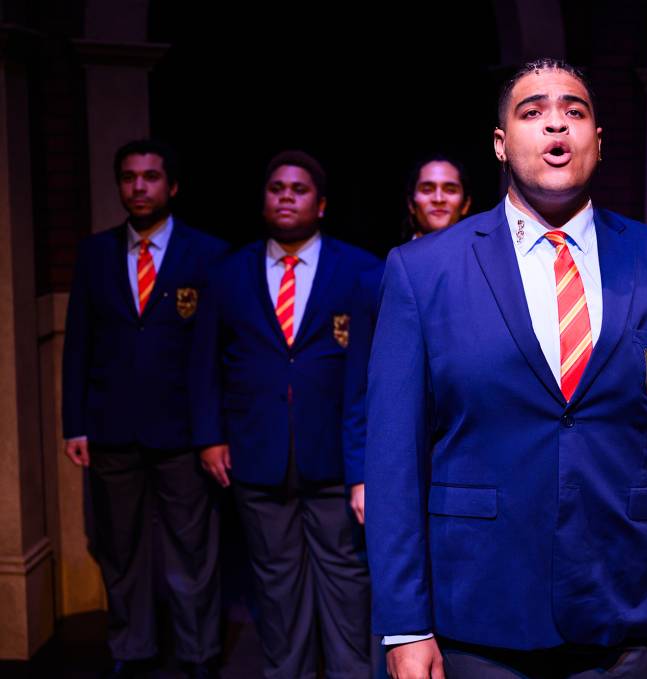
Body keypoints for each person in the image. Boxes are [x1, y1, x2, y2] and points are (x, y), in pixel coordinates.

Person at [365, 58, 647, 679]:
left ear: (600, 140)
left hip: (631, 607)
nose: (556, 127)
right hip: (476, 616)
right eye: (532, 112)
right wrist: (404, 623)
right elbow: (393, 459)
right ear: (500, 143)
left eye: (575, 111)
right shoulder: (422, 272)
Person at [189, 151, 381, 679]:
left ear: (320, 205)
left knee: (346, 580)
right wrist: (209, 436)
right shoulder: (228, 274)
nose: (286, 196)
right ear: (264, 200)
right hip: (257, 454)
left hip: (335, 459)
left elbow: (372, 375)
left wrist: (366, 463)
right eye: (276, 188)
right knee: (275, 585)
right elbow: (204, 361)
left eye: (298, 189)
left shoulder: (361, 270)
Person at [62, 139, 226, 679]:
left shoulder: (206, 254)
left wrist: (211, 431)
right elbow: (78, 343)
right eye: (129, 177)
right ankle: (130, 650)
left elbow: (213, 354)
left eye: (150, 177)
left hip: (182, 430)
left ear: (170, 186)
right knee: (120, 549)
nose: (139, 187)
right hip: (111, 428)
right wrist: (75, 424)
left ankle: (198, 652)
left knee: (190, 551)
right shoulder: (93, 254)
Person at [402, 154, 472, 240]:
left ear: (466, 204)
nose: (438, 199)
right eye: (427, 190)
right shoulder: (394, 253)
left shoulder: (483, 252)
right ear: (411, 204)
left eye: (450, 190)